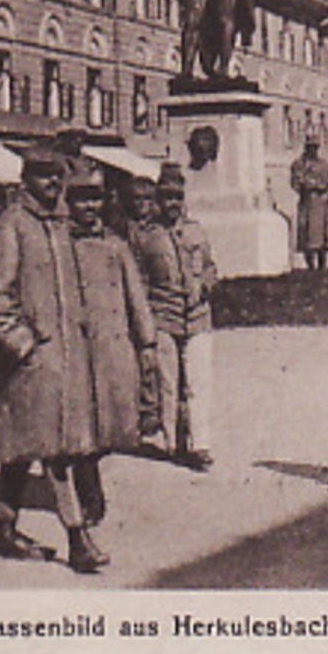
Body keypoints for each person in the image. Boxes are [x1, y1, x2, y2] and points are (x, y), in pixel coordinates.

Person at [0, 146, 106, 571]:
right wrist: (24, 344)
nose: (53, 183)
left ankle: (3, 525)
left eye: (57, 176)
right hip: (30, 363)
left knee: (23, 449)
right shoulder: (12, 225)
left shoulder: (61, 224)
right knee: (57, 451)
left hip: (66, 358)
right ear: (25, 178)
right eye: (43, 175)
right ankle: (78, 539)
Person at [64, 164, 160, 569]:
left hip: (112, 346)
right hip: (74, 348)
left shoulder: (116, 245)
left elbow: (136, 296)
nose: (89, 207)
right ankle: (89, 493)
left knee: (108, 424)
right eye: (81, 199)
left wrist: (148, 342)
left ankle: (90, 477)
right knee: (80, 425)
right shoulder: (59, 244)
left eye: (95, 199)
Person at [131, 163, 218, 468]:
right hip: (163, 316)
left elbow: (209, 266)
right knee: (168, 382)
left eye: (177, 197)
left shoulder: (196, 230)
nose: (172, 204)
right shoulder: (146, 238)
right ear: (157, 199)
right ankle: (172, 441)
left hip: (197, 316)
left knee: (198, 381)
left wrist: (206, 284)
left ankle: (201, 444)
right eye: (166, 197)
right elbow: (139, 281)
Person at [290, 135, 328, 271]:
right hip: (308, 202)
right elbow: (295, 183)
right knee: (308, 236)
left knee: (323, 237)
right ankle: (310, 266)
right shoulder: (299, 164)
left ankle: (322, 266)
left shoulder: (324, 164)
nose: (313, 150)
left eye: (316, 147)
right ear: (306, 147)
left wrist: (323, 185)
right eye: (311, 147)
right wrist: (309, 185)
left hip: (323, 203)